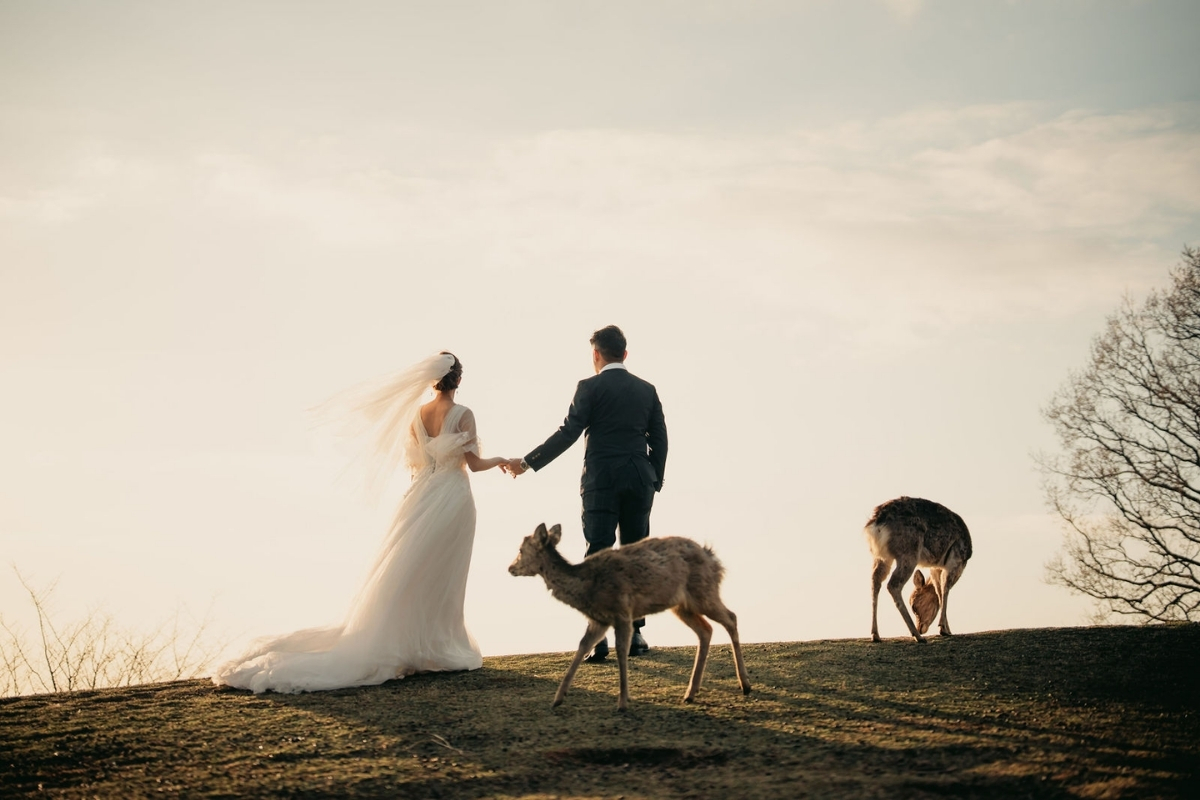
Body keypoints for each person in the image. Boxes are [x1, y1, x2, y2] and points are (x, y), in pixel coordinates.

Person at [212, 352, 511, 693]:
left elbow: (415, 464)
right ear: (458, 379)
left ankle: (415, 646)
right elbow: (473, 464)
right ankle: (436, 646)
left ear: (432, 379)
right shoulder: (463, 414)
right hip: (453, 497)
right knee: (444, 573)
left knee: (412, 571)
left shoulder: (416, 415)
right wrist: (501, 459)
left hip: (420, 496)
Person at [505, 325, 667, 661]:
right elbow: (660, 438)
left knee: (598, 554)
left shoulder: (588, 387)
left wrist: (528, 462)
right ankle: (636, 636)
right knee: (636, 556)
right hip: (639, 480)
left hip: (600, 482)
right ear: (624, 354)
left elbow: (568, 434)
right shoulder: (647, 390)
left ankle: (601, 640)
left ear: (596, 354)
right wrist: (654, 477)